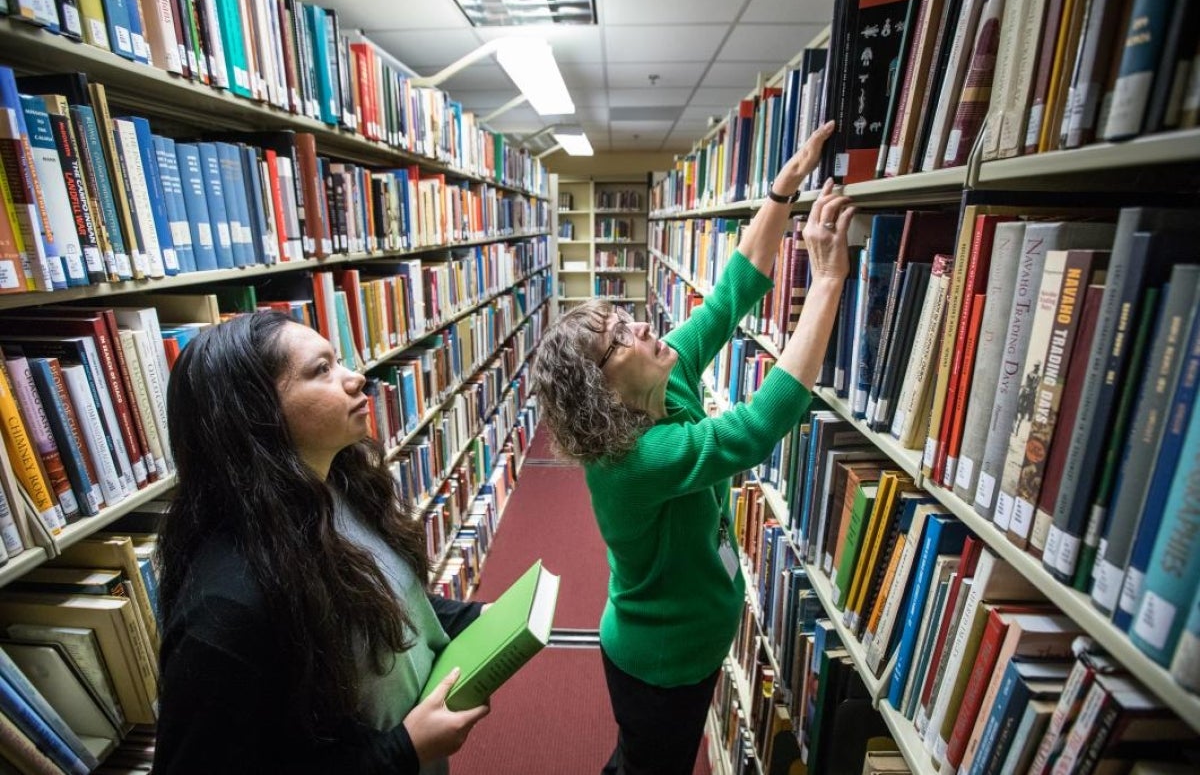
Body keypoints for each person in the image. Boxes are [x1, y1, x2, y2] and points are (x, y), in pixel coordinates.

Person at [531, 120, 854, 775]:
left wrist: (780, 191)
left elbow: (732, 294)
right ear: (602, 392)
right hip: (660, 662)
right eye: (618, 339)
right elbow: (760, 425)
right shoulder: (636, 460)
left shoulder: (663, 378)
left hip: (688, 646)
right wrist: (825, 284)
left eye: (625, 318)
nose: (641, 326)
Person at [153, 310, 489, 775]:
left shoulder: (332, 493)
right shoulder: (225, 609)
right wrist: (404, 749)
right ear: (257, 413)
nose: (357, 378)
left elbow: (379, 597)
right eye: (321, 369)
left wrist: (482, 620)